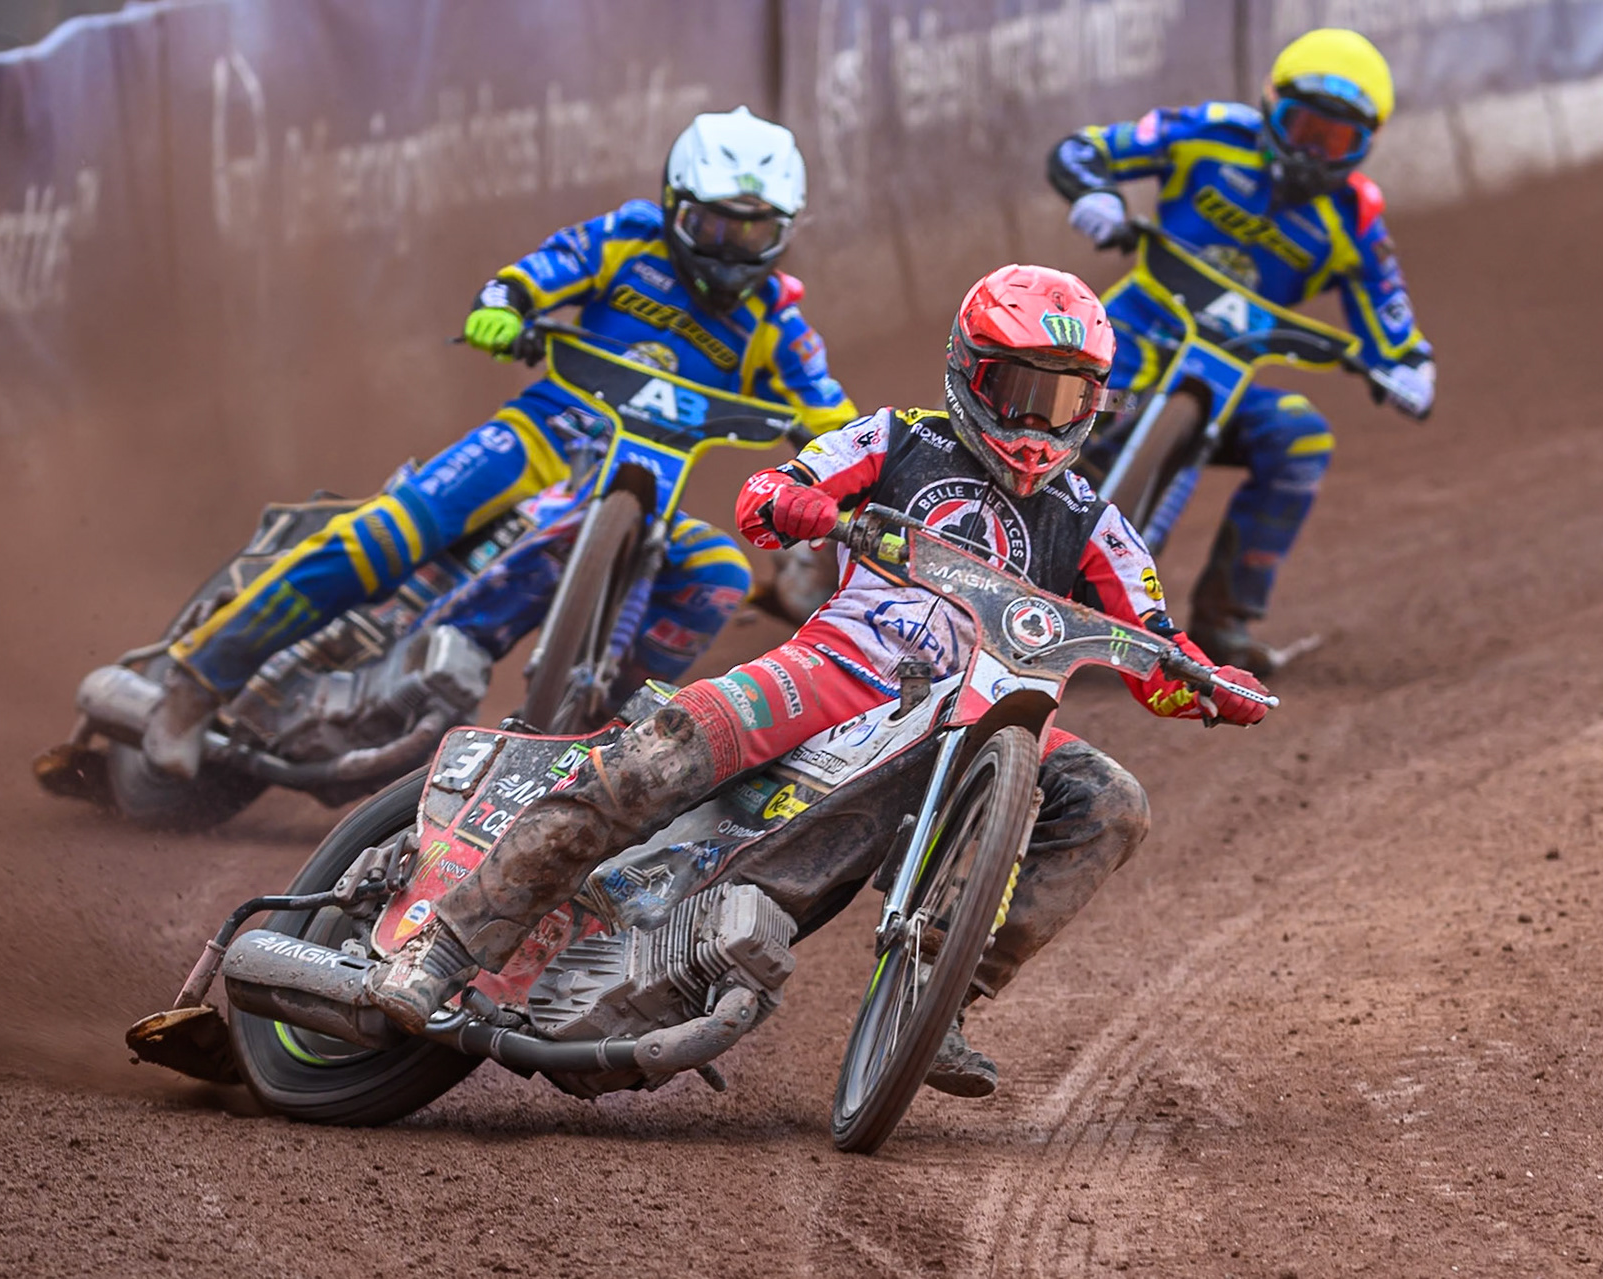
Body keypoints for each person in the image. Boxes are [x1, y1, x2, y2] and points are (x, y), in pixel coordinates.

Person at [368, 264, 1273, 1097]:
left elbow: (1155, 647)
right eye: (1019, 392)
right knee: (659, 755)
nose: (1037, 423)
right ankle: (442, 948)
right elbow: (768, 495)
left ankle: (944, 993)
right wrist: (804, 504)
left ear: (1093, 404)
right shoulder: (898, 439)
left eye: (1063, 398)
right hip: (837, 671)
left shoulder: (1093, 521)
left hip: (978, 723)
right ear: (970, 370)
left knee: (1114, 801)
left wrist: (1205, 681)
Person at [143, 107, 857, 778]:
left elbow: (834, 415)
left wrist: (847, 459)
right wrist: (503, 307)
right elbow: (537, 273)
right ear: (674, 206)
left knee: (721, 576)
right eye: (714, 225)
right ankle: (198, 682)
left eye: (754, 232)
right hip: (539, 439)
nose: (733, 250)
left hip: (651, 503)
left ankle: (603, 752)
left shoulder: (777, 321)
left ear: (785, 230)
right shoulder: (627, 240)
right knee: (386, 533)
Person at [1048, 27, 1436, 673]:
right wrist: (1096, 195)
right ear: (1269, 104)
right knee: (1042, 400)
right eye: (1304, 125)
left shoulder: (1355, 217)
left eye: (1336, 139)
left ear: (1366, 146)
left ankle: (1225, 621)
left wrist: (1409, 364)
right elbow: (1083, 150)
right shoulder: (1212, 132)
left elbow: (1388, 312)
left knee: (1301, 437)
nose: (1314, 151)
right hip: (1124, 337)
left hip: (1225, 377)